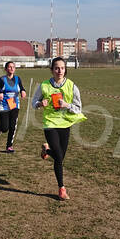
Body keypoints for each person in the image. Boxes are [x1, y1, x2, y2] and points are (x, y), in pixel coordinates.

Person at [31, 57, 86, 200]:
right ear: (52, 70)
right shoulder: (43, 85)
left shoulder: (72, 86)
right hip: (50, 124)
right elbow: (33, 102)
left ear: (65, 69)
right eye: (56, 68)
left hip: (65, 124)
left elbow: (78, 108)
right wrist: (39, 104)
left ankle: (46, 150)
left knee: (60, 157)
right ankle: (61, 188)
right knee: (59, 157)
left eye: (62, 68)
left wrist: (66, 105)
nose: (59, 71)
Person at [0, 61, 26, 153]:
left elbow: (21, 88)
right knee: (5, 128)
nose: (11, 68)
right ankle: (0, 128)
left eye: (13, 67)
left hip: (15, 105)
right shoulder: (2, 80)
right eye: (9, 67)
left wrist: (23, 91)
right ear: (6, 69)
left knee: (13, 126)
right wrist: (0, 92)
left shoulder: (18, 79)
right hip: (4, 106)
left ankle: (9, 146)